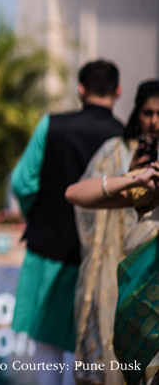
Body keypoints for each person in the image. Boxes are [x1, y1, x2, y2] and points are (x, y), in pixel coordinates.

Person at [10, 60, 124, 385]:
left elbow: (22, 182)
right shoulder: (122, 138)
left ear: (80, 89)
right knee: (85, 356)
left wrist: (38, 217)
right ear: (118, 91)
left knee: (46, 356)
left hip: (47, 255)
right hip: (98, 262)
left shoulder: (51, 125)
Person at [66, 80, 159, 385]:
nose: (154, 122)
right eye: (148, 113)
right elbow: (75, 194)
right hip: (131, 274)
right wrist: (134, 177)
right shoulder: (124, 157)